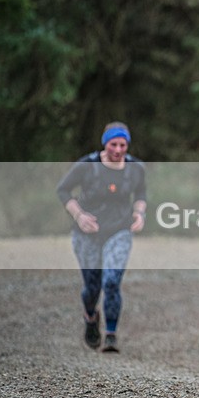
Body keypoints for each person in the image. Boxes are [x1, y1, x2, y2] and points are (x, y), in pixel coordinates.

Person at [56, 122, 147, 353]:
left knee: (112, 281)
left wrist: (139, 213)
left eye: (123, 145)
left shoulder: (136, 168)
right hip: (87, 233)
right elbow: (63, 190)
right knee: (92, 286)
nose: (118, 150)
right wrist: (78, 215)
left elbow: (141, 193)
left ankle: (111, 335)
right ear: (105, 143)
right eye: (113, 144)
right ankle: (90, 316)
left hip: (119, 230)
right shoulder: (87, 165)